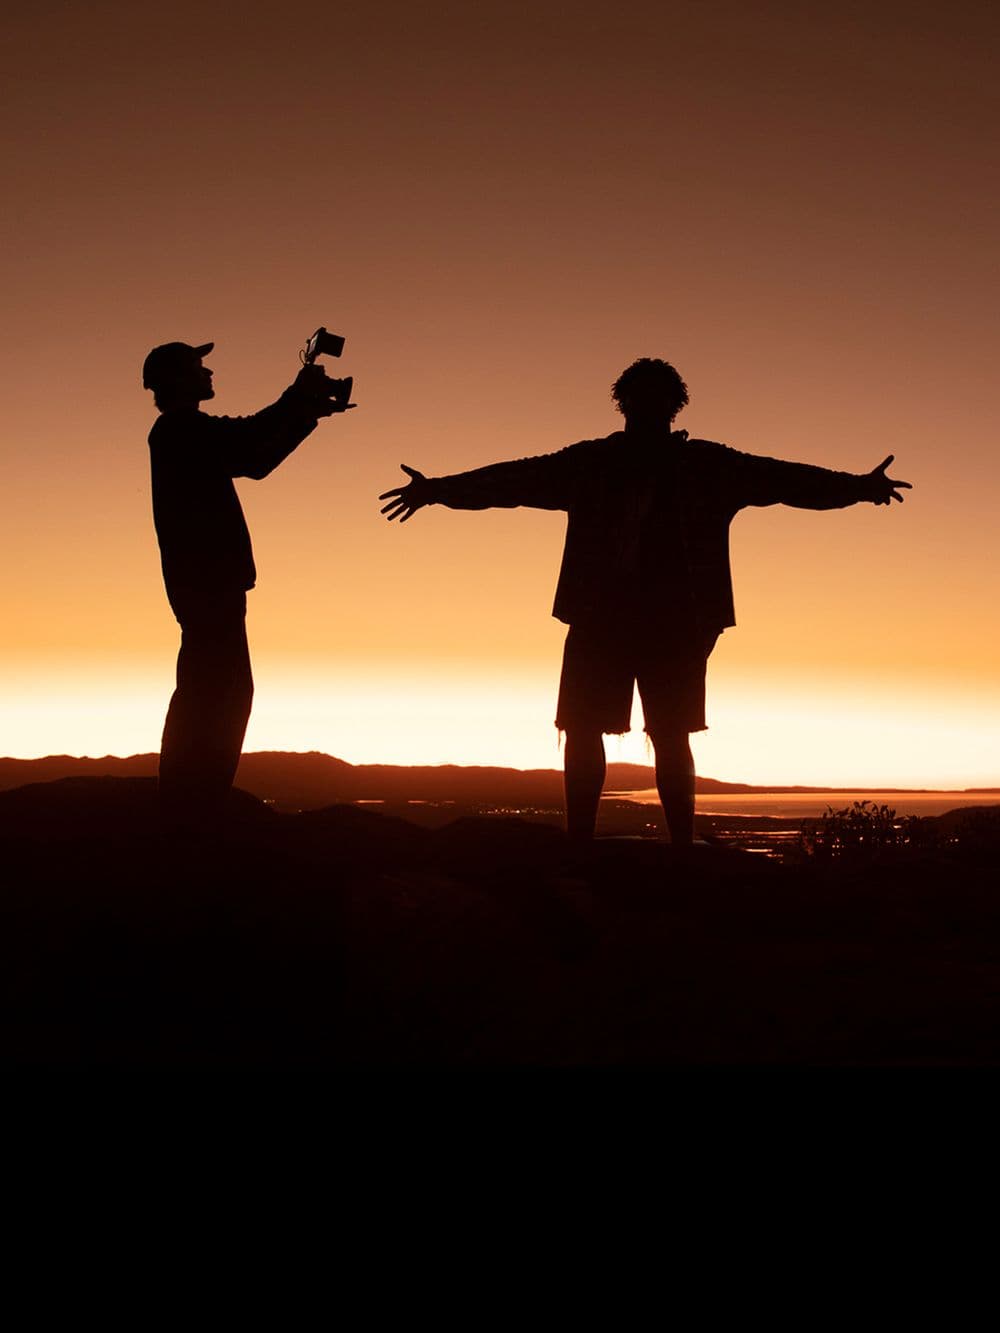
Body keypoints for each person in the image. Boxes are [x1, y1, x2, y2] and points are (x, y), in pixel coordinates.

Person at [379, 357, 911, 847]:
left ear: (666, 404)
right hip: (609, 615)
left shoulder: (700, 465)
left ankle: (665, 847)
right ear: (627, 402)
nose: (649, 406)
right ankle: (600, 846)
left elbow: (787, 480)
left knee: (662, 731)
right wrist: (438, 490)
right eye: (642, 396)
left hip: (671, 619)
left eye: (656, 397)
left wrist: (858, 487)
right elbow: (514, 480)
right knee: (598, 729)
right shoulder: (603, 463)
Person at [143, 339, 349, 825]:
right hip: (208, 582)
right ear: (177, 379)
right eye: (199, 367)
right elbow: (249, 443)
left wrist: (306, 411)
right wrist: (300, 400)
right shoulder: (179, 429)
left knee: (220, 688)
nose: (209, 372)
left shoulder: (182, 431)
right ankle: (190, 806)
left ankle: (195, 798)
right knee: (215, 690)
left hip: (210, 581)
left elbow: (256, 458)